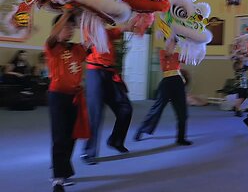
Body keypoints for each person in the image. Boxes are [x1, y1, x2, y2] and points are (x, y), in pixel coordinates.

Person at [45, 12, 90, 192]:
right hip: (57, 96)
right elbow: (54, 35)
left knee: (72, 136)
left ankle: (63, 170)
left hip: (75, 97)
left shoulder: (78, 49)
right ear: (58, 29)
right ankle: (58, 178)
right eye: (66, 27)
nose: (70, 30)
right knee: (59, 137)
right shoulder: (52, 47)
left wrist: (90, 18)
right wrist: (67, 12)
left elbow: (92, 40)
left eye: (72, 27)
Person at [81, 20, 136, 165]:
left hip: (110, 74)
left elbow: (122, 28)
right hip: (95, 73)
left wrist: (136, 19)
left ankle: (115, 141)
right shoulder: (89, 27)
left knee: (125, 108)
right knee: (95, 114)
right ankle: (88, 151)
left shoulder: (107, 33)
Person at [134, 36, 193, 145]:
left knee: (182, 112)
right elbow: (165, 60)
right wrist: (170, 45)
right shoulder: (162, 53)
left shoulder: (177, 55)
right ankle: (142, 129)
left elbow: (189, 59)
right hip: (166, 84)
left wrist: (188, 45)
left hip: (178, 83)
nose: (174, 45)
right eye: (172, 42)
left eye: (175, 43)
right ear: (166, 42)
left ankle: (181, 138)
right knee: (157, 109)